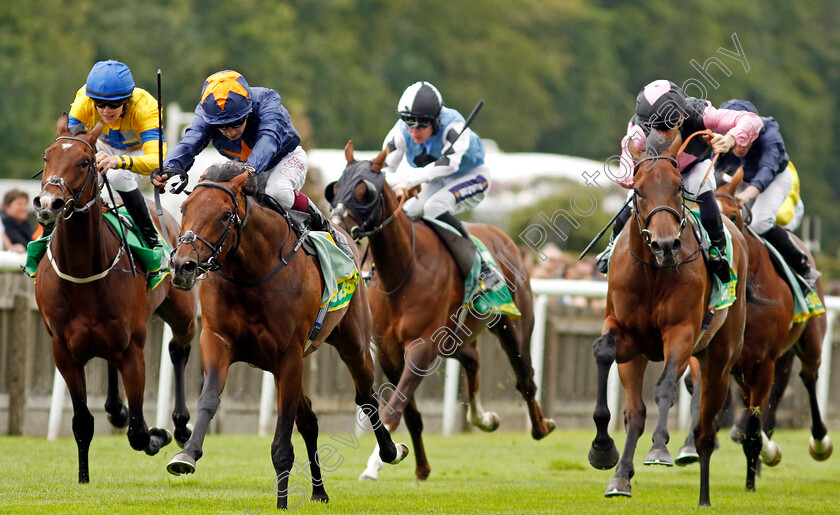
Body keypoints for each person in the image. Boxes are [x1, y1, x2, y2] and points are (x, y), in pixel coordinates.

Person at [152, 70, 352, 258]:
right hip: (242, 165)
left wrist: (251, 169)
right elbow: (190, 142)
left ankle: (324, 225)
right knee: (211, 191)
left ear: (248, 112)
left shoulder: (268, 102)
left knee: (277, 191)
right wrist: (169, 168)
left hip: (284, 159)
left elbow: (268, 139)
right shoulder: (207, 112)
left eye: (237, 122)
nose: (230, 132)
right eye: (222, 126)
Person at [595, 79, 764, 283]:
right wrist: (646, 178)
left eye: (665, 128)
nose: (658, 134)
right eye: (653, 128)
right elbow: (624, 176)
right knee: (634, 195)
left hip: (693, 167)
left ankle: (717, 250)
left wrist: (730, 139)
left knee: (702, 187)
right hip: (658, 174)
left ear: (681, 118)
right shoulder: (638, 130)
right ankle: (611, 246)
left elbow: (753, 121)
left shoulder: (700, 113)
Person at [382, 81, 495, 286]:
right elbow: (382, 169)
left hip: (473, 177)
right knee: (408, 212)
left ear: (436, 120)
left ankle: (482, 269)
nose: (414, 131)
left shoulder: (453, 124)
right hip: (440, 181)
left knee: (434, 207)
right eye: (409, 122)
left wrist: (409, 181)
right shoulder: (401, 131)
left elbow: (449, 164)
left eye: (422, 124)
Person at [714, 98, 819, 289]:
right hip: (740, 178)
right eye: (735, 139)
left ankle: (804, 268)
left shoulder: (769, 135)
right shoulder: (718, 133)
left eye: (745, 140)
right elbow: (713, 169)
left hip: (774, 179)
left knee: (760, 223)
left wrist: (746, 196)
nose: (739, 147)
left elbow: (767, 171)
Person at [68, 60, 165, 252]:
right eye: (100, 105)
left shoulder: (146, 107)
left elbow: (156, 160)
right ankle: (50, 231)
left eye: (113, 105)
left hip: (138, 153)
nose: (106, 111)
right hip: (103, 147)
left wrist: (119, 161)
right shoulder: (84, 100)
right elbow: (70, 145)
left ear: (127, 100)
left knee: (118, 175)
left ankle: (151, 238)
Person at [1, 189, 33, 253]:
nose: (24, 208)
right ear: (7, 207)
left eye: (25, 204)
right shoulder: (5, 221)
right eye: (19, 204)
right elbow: (26, 246)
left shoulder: (24, 224)